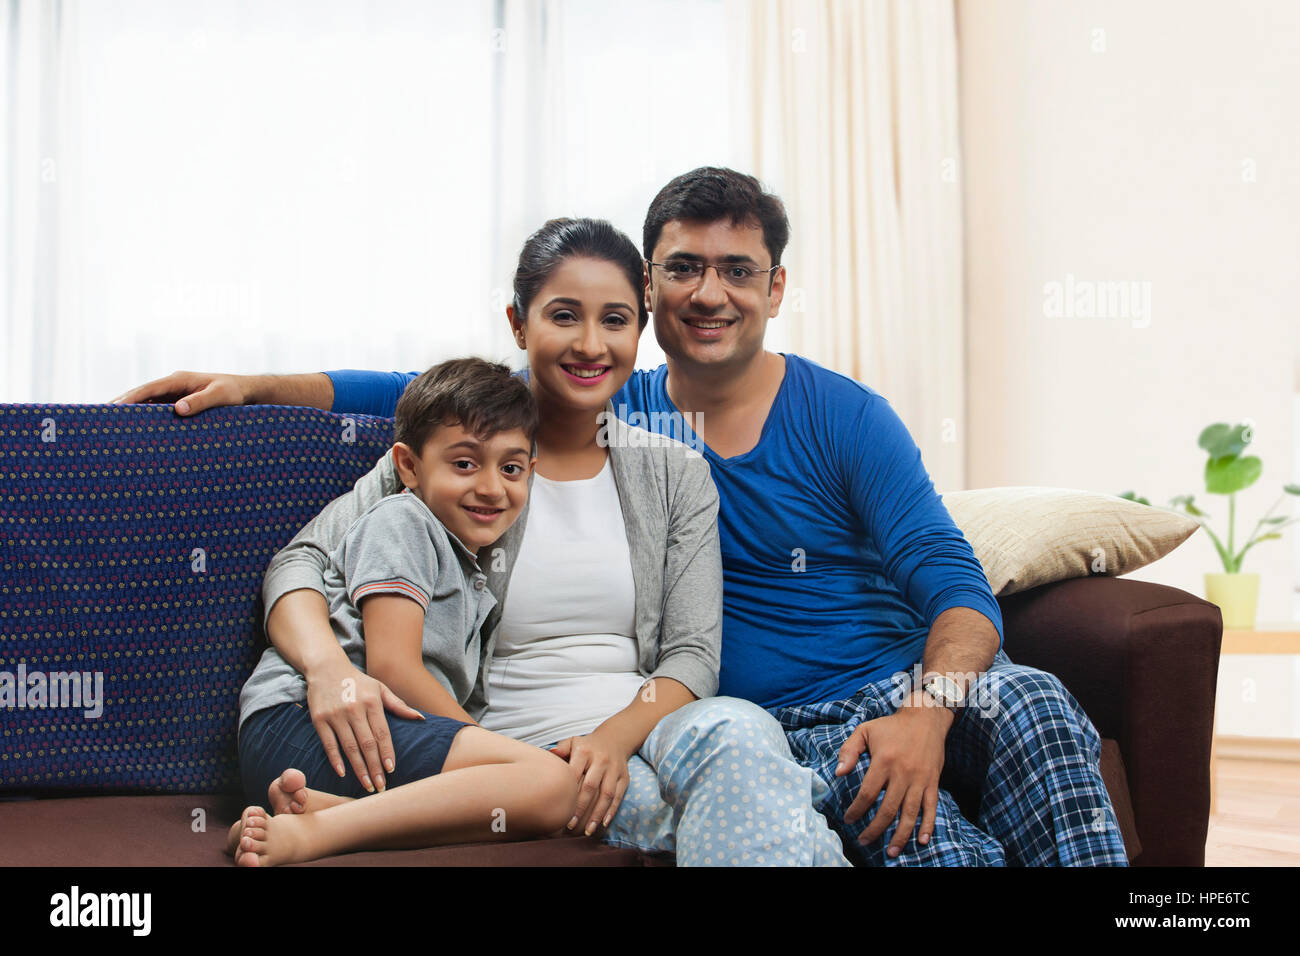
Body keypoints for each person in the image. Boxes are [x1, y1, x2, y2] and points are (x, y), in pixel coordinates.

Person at [116, 171, 1127, 866]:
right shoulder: (598, 405)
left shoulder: (842, 416)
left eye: (738, 270)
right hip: (786, 728)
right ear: (652, 287)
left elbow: (953, 581)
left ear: (775, 288)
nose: (709, 291)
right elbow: (412, 396)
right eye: (684, 266)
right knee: (925, 839)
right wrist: (259, 382)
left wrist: (927, 706)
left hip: (906, 686)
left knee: (1033, 702)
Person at [165, 217, 850, 866]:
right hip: (512, 750)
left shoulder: (673, 472)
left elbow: (693, 656)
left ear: (640, 331)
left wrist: (610, 743)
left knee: (742, 734)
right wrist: (328, 669)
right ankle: (801, 810)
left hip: (640, 733)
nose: (589, 344)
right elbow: (301, 563)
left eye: (614, 320)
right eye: (562, 315)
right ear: (518, 325)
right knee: (758, 802)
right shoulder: (460, 458)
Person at [228, 357, 580, 866]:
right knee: (548, 783)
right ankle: (318, 834)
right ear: (408, 466)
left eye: (511, 468)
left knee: (526, 788)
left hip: (321, 756)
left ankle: (309, 816)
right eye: (464, 463)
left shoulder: (465, 562)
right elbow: (393, 667)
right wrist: (491, 752)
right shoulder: (404, 521)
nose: (491, 487)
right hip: (306, 723)